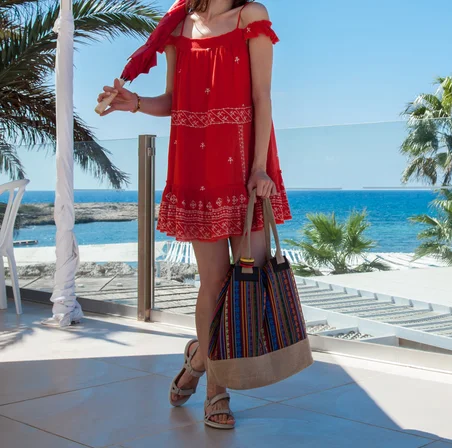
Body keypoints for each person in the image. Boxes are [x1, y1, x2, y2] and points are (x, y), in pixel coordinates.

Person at [97, 0, 291, 430]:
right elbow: (173, 99)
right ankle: (215, 390)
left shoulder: (251, 17)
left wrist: (259, 167)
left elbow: (262, 97)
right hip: (195, 164)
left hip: (243, 162)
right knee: (216, 281)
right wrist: (134, 103)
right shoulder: (179, 25)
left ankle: (198, 359)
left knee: (251, 276)